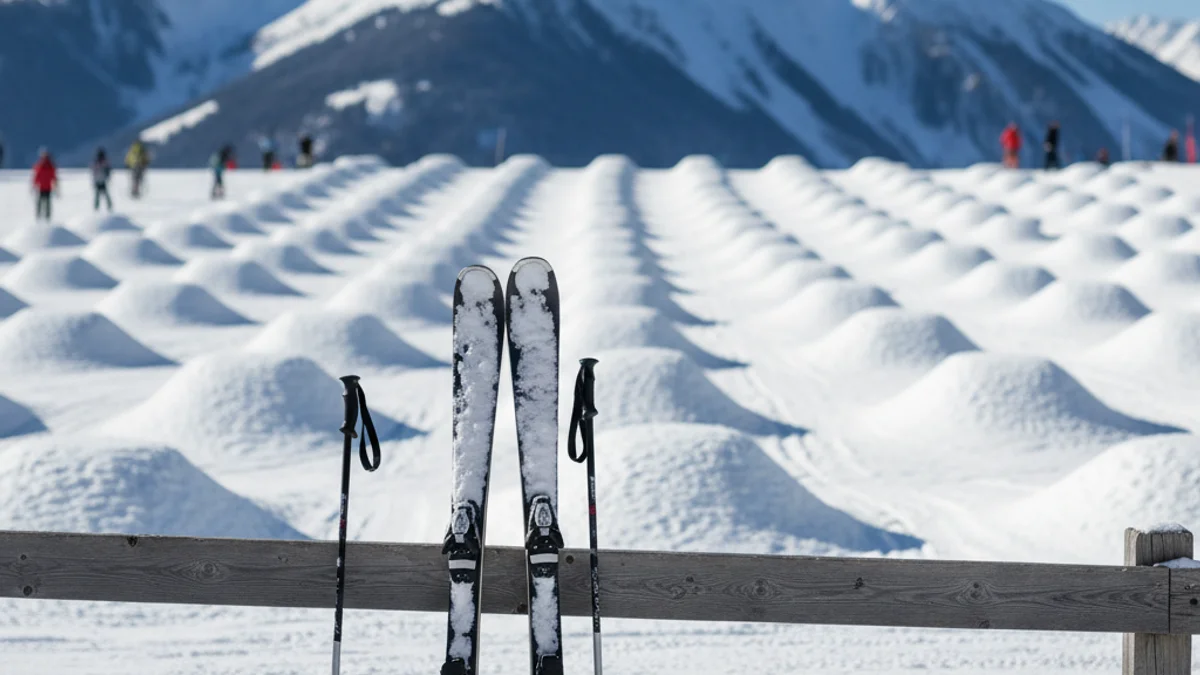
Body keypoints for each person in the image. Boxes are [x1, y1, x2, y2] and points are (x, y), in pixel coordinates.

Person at [31, 148, 57, 221]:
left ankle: (43, 218)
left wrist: (34, 184)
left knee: (43, 204)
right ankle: (43, 217)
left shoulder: (46, 166)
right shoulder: (47, 165)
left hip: (45, 187)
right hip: (44, 187)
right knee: (44, 204)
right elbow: (37, 176)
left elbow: (53, 177)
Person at [91, 147, 113, 211]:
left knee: (99, 195)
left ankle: (97, 207)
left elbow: (94, 172)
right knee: (103, 194)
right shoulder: (104, 162)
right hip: (102, 180)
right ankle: (107, 206)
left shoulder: (97, 162)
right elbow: (108, 171)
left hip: (99, 180)